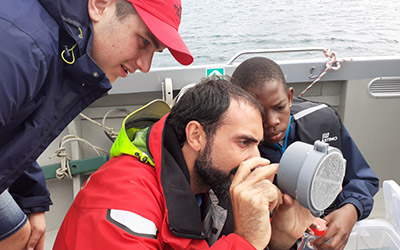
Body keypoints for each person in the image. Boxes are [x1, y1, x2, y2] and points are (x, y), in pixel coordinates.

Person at [0, 0, 193, 249]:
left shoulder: (65, 48)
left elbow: (15, 132)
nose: (145, 66)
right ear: (100, 5)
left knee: (18, 233)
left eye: (154, 52)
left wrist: (31, 199)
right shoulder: (22, 50)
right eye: (143, 42)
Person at [53, 77, 315, 250]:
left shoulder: (212, 183)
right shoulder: (124, 200)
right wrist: (245, 242)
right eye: (244, 143)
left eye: (258, 144)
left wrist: (278, 240)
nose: (257, 160)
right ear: (196, 136)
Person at [231, 57, 380, 250]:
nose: (272, 121)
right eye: (259, 113)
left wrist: (351, 210)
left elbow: (363, 179)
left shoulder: (322, 121)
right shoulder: (233, 150)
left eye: (279, 107)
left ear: (290, 97)